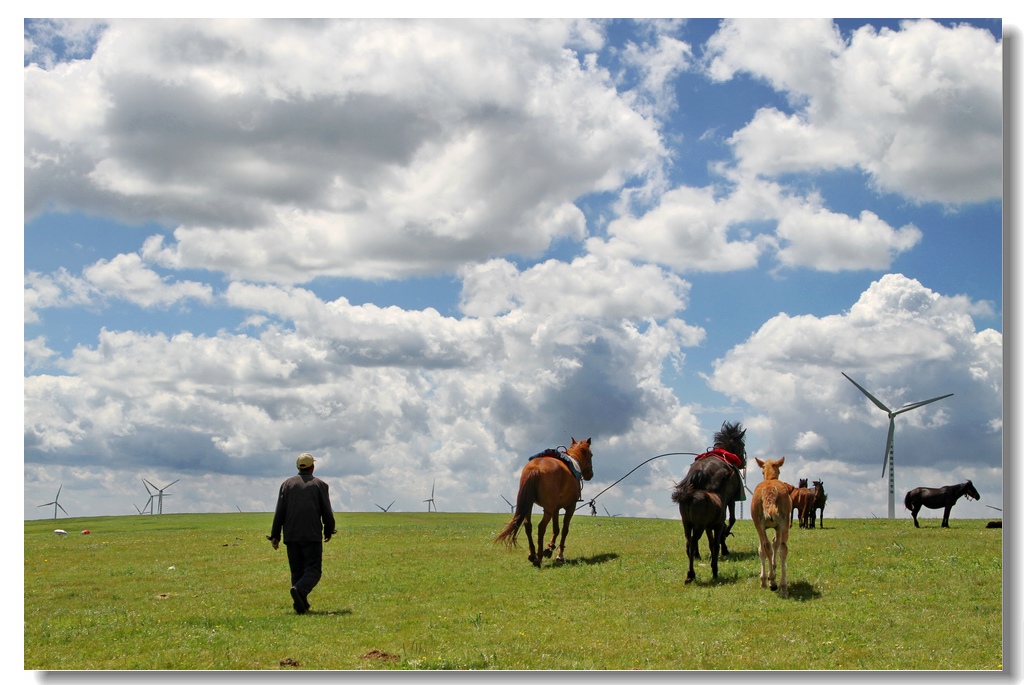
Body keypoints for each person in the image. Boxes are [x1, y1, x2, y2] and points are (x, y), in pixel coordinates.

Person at [269, 452, 336, 614]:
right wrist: (328, 530)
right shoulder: (320, 485)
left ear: (298, 467)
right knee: (313, 570)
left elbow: (280, 511)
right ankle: (299, 591)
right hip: (311, 535)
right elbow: (327, 511)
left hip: (291, 536)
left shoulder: (286, 484)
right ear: (313, 466)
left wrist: (275, 535)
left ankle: (301, 605)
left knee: (297, 571)